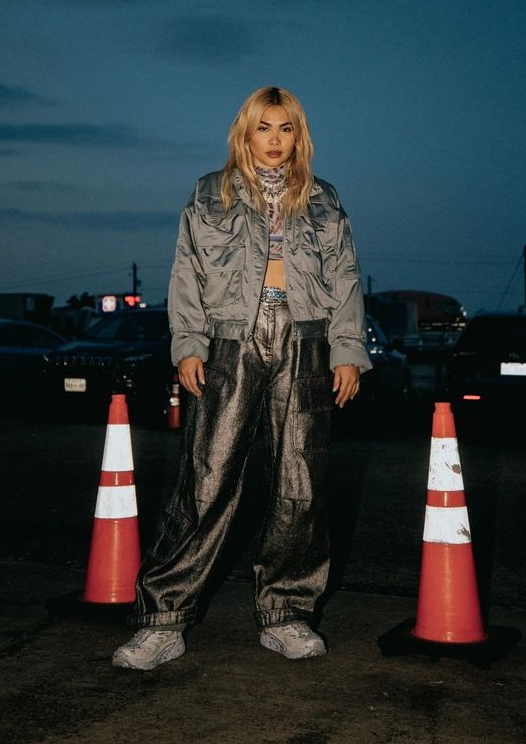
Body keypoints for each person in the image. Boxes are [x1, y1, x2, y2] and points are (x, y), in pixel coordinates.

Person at [112, 85, 371, 671]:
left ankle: (287, 612)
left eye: (285, 129)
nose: (275, 141)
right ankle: (163, 620)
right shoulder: (211, 192)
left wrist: (347, 349)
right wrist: (187, 343)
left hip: (305, 340)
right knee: (206, 479)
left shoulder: (324, 198)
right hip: (231, 340)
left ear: (297, 135)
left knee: (299, 482)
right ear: (245, 133)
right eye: (264, 128)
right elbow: (187, 272)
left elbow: (346, 276)